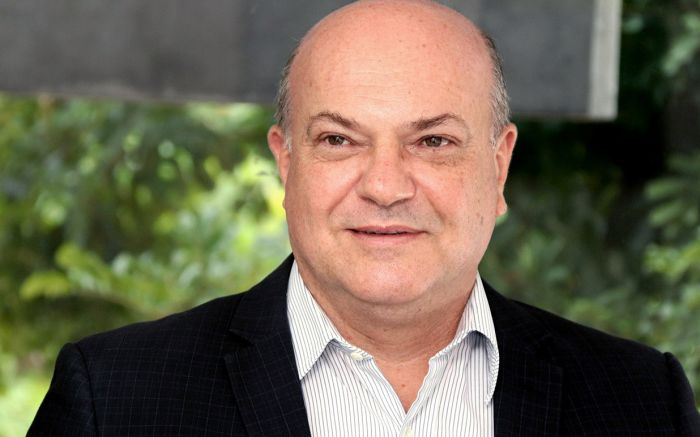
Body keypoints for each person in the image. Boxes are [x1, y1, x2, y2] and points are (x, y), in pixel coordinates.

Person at [29, 0, 700, 435]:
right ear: (286, 164)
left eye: (433, 141)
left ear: (498, 168)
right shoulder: (114, 400)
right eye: (339, 139)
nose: (384, 185)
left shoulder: (644, 402)